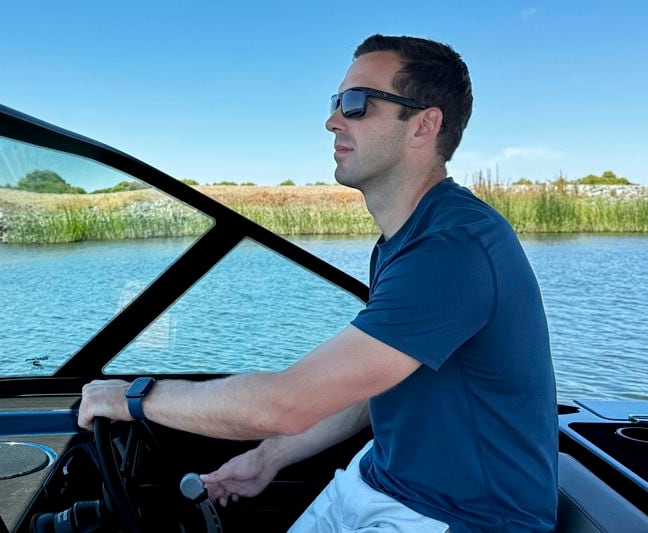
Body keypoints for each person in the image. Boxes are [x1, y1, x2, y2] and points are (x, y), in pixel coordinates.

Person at [79, 34, 558, 532]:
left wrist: (133, 397)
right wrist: (268, 459)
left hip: (465, 517)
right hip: (380, 480)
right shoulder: (404, 239)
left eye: (356, 103)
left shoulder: (454, 248)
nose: (333, 120)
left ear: (424, 124)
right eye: (336, 103)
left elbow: (287, 403)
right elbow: (367, 387)